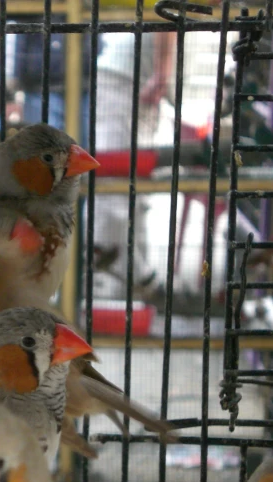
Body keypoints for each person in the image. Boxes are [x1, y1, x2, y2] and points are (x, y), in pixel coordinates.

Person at [92, 31, 175, 299]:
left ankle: (127, 276)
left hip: (133, 78)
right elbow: (167, 19)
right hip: (125, 78)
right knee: (114, 183)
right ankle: (106, 272)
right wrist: (162, 75)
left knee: (130, 185)